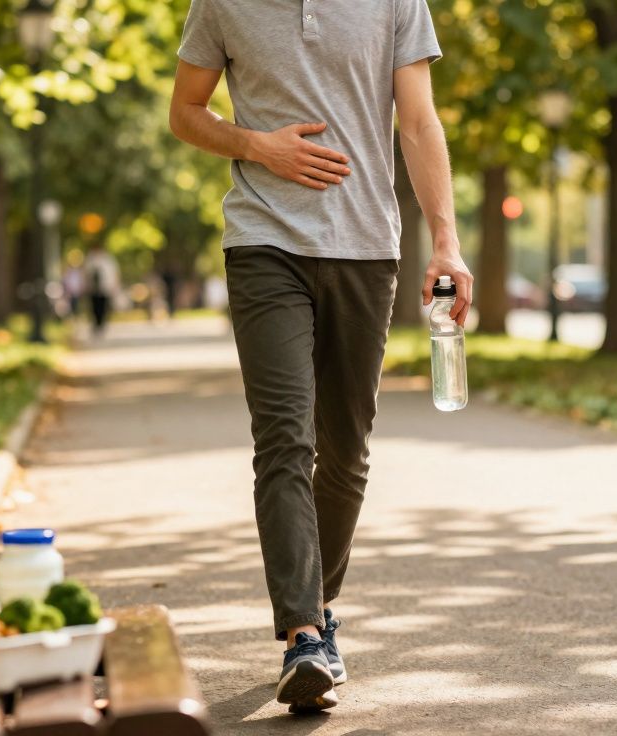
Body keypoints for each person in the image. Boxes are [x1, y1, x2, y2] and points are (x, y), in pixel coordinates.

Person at [170, 0, 473, 713]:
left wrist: (448, 240)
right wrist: (256, 146)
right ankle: (304, 634)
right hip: (263, 241)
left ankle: (317, 606)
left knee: (345, 451)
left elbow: (419, 120)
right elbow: (185, 111)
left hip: (366, 246)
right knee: (284, 438)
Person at [84, 244, 119, 337]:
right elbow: (86, 274)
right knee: (94, 307)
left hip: (105, 288)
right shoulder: (90, 260)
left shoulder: (108, 261)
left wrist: (114, 286)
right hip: (93, 289)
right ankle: (96, 324)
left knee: (104, 307)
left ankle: (102, 324)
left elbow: (114, 274)